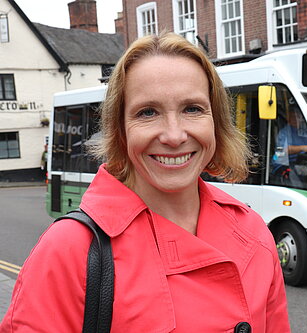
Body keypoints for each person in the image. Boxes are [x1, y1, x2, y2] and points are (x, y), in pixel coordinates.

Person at [0, 32, 290, 332]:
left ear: (215, 122)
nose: (174, 136)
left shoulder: (254, 232)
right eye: (147, 112)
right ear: (121, 131)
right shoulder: (68, 250)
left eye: (192, 109)